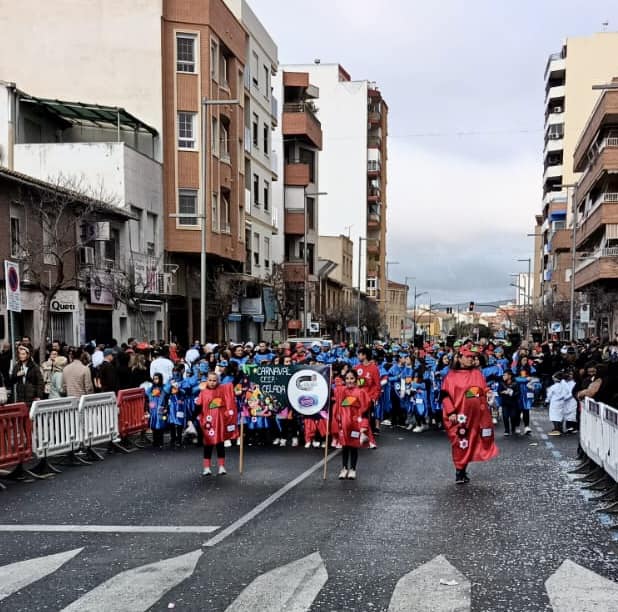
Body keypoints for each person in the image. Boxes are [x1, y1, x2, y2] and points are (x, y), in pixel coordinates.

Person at [441, 346, 499, 484]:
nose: (471, 360)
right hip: (458, 417)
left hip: (475, 417)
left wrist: (488, 393)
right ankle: (459, 470)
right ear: (460, 359)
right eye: (468, 357)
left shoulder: (477, 374)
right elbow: (445, 395)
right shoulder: (451, 376)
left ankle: (462, 469)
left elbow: (481, 389)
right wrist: (451, 412)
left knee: (472, 442)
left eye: (473, 357)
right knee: (460, 442)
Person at [194, 371, 238, 476]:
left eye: (214, 380)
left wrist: (240, 373)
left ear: (218, 381)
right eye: (210, 380)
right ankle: (206, 467)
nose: (212, 382)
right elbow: (198, 407)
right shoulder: (203, 393)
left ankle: (221, 466)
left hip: (219, 423)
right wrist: (193, 418)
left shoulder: (222, 390)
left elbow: (232, 386)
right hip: (208, 423)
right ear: (206, 380)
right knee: (207, 445)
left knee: (220, 444)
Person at [333, 369, 370, 480]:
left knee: (353, 447)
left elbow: (364, 410)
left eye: (352, 378)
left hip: (355, 425)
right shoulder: (341, 391)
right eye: (347, 378)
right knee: (344, 446)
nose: (349, 381)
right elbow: (336, 401)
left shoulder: (361, 392)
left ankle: (352, 469)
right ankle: (344, 469)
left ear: (356, 379)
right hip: (343, 424)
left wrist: (363, 426)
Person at [497, 370, 520, 436]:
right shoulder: (501, 383)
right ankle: (506, 430)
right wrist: (503, 392)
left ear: (509, 376)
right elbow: (499, 391)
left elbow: (518, 392)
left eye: (505, 375)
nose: (503, 376)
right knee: (505, 416)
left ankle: (513, 428)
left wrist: (511, 393)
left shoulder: (515, 383)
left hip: (513, 403)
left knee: (513, 416)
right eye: (503, 375)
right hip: (505, 402)